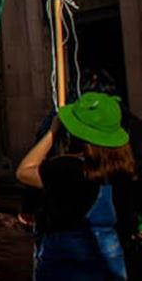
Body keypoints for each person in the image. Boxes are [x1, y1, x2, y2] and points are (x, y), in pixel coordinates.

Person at [17, 91, 137, 280]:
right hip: (112, 260)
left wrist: (52, 131)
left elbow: (24, 171)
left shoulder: (67, 168)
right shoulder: (126, 170)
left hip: (65, 264)